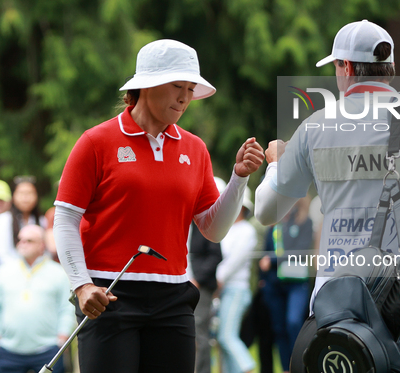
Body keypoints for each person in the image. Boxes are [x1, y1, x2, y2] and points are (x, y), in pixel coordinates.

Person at [254, 20, 400, 373]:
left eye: (335, 68)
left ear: (345, 68)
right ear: (389, 68)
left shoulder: (315, 126)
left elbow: (266, 211)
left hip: (340, 310)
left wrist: (274, 165)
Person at [52, 39, 264, 373]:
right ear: (146, 86)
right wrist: (81, 285)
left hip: (173, 298)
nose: (184, 97)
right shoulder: (96, 142)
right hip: (108, 296)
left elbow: (213, 229)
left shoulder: (194, 148)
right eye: (177, 85)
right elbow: (65, 219)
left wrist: (239, 178)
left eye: (191, 89)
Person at [0, 224, 74, 373]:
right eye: (20, 240)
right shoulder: (3, 270)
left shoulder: (58, 272)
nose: (22, 243)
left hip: (48, 349)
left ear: (41, 245)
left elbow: (67, 307)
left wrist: (62, 337)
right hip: (8, 350)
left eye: (29, 240)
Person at [259, 197, 313, 373]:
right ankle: (285, 368)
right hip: (274, 285)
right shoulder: (275, 223)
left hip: (296, 283)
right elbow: (265, 249)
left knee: (293, 322)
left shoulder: (305, 221)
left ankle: (300, 365)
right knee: (279, 328)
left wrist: (273, 260)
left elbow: (301, 251)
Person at [216, 188, 257, 373]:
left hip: (236, 290)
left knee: (226, 336)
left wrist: (217, 279)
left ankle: (247, 368)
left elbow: (233, 262)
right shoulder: (226, 230)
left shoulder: (247, 231)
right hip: (222, 291)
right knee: (221, 339)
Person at [188, 177, 225, 373]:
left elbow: (216, 256)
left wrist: (198, 280)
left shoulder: (207, 222)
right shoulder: (187, 223)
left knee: (199, 335)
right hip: (185, 284)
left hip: (200, 288)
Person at [0, 176, 46, 265]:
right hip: (11, 271)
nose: (26, 198)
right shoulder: (4, 219)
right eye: (21, 193)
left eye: (30, 193)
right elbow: (2, 255)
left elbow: (45, 252)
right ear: (13, 196)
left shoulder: (42, 220)